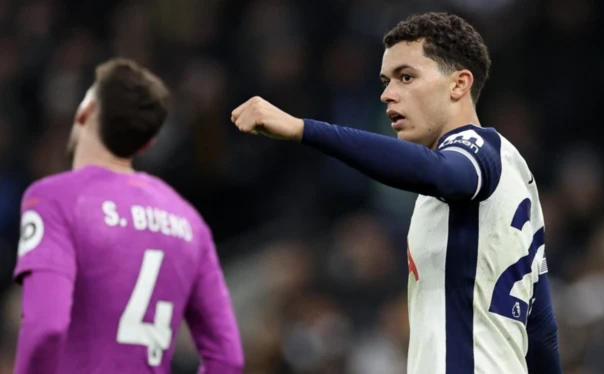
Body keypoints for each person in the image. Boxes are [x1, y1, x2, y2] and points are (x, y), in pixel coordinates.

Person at [231, 12, 561, 374]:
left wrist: (302, 129)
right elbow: (541, 330)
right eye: (386, 81)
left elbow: (442, 173)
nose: (388, 94)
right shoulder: (516, 178)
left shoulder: (476, 149)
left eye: (407, 77)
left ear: (459, 85)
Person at [13, 58, 244, 374]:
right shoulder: (189, 220)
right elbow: (228, 359)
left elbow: (45, 327)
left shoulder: (54, 198)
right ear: (147, 143)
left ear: (86, 112)